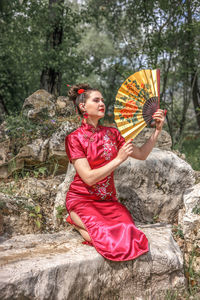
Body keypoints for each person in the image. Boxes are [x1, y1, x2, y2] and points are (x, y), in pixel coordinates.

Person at [65, 83, 165, 261]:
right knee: (107, 238)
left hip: (108, 201)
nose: (102, 103)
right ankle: (76, 220)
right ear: (82, 106)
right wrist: (118, 159)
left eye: (102, 100)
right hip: (82, 199)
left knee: (130, 235)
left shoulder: (113, 134)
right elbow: (88, 178)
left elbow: (141, 154)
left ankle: (80, 224)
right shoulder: (74, 139)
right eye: (96, 100)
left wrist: (157, 131)